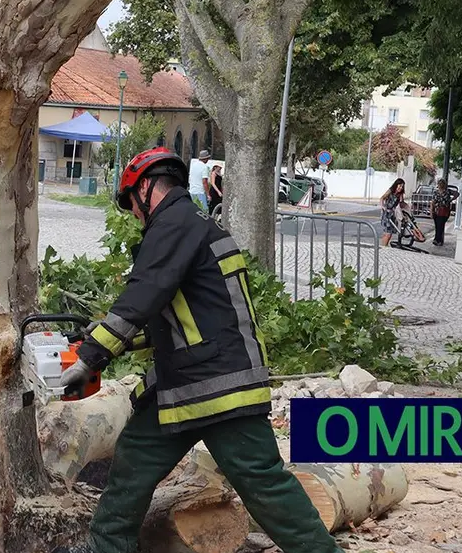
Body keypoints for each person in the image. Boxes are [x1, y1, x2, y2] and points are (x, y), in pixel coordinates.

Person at [51, 147, 341, 553]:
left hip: (221, 385)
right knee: (134, 458)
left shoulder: (174, 224)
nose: (133, 215)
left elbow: (144, 294)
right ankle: (105, 546)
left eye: (131, 205)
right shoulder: (190, 227)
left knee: (264, 485)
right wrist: (94, 339)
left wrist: (90, 357)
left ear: (146, 188)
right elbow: (172, 319)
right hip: (187, 381)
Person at [379, 178, 407, 247]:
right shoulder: (391, 191)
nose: (400, 188)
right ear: (396, 185)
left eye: (402, 186)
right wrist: (383, 206)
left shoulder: (400, 194)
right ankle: (383, 247)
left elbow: (401, 204)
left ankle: (383, 246)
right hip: (386, 214)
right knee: (388, 233)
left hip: (392, 214)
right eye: (399, 186)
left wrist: (405, 210)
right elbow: (382, 198)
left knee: (389, 233)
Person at [431, 179, 455, 246]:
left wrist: (451, 199)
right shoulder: (436, 192)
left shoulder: (447, 192)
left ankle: (437, 240)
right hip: (437, 210)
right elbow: (432, 202)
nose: (440, 185)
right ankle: (438, 240)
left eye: (442, 183)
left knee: (440, 225)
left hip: (444, 211)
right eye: (439, 183)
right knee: (437, 226)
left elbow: (457, 194)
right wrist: (431, 211)